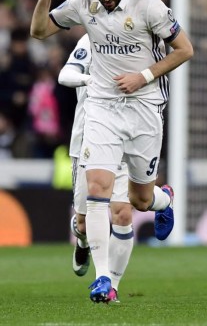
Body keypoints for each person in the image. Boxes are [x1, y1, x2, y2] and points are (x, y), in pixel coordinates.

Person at [30, 0, 194, 302]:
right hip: (102, 107)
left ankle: (164, 201)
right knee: (98, 189)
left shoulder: (148, 3)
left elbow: (184, 49)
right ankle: (104, 279)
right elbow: (39, 30)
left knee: (139, 199)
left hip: (145, 108)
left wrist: (143, 76)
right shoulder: (85, 0)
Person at [59, 34, 134, 303]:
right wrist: (89, 79)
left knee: (123, 213)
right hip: (87, 140)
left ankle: (110, 284)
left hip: (126, 138)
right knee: (82, 222)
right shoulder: (90, 39)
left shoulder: (140, 38)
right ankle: (82, 241)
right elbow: (66, 74)